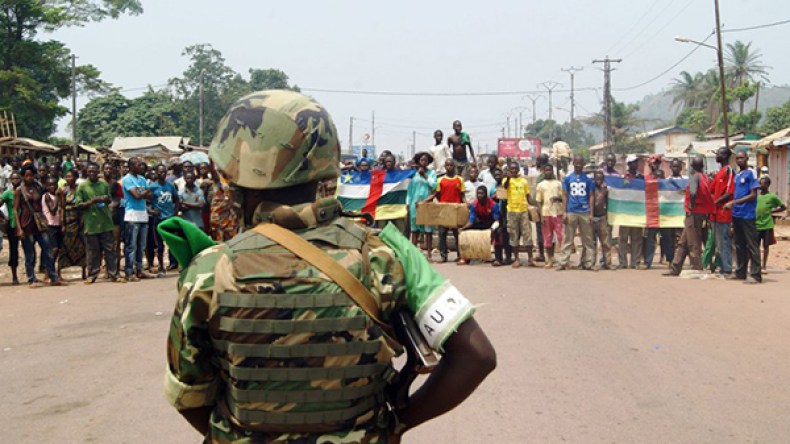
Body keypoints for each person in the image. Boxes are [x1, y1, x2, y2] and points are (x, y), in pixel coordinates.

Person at [162, 90, 495, 443]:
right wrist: (399, 422)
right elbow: (476, 355)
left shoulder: (209, 269)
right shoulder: (385, 253)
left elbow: (189, 394)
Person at [663, 155, 714, 277]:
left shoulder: (694, 177)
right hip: (701, 212)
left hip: (694, 213)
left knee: (693, 242)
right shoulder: (704, 177)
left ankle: (696, 267)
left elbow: (693, 192)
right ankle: (675, 267)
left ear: (692, 167)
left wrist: (691, 205)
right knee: (683, 242)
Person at [13, 164, 62, 287]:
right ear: (23, 176)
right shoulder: (19, 190)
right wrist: (19, 228)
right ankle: (31, 278)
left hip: (39, 224)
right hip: (26, 224)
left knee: (48, 249)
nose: (29, 178)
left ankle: (53, 276)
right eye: (27, 175)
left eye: (31, 175)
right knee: (30, 253)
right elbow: (15, 210)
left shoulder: (38, 187)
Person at [77, 163, 123, 284]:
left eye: (94, 171)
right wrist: (93, 201)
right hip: (91, 224)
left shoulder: (103, 185)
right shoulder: (82, 186)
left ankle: (114, 274)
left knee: (110, 251)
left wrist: (105, 199)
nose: (92, 173)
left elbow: (110, 199)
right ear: (87, 172)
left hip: (105, 223)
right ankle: (92, 275)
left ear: (98, 172)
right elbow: (79, 205)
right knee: (93, 252)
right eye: (90, 171)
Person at [724, 150, 762, 283]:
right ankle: (740, 272)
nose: (739, 160)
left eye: (742, 158)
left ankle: (756, 274)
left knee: (752, 245)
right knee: (739, 244)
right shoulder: (737, 175)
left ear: (747, 159)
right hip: (737, 214)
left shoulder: (751, 173)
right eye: (737, 158)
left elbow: (753, 194)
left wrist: (734, 202)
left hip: (747, 214)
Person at [556, 155, 595, 271]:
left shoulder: (588, 179)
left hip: (584, 211)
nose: (578, 165)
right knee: (568, 238)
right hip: (571, 211)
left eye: (580, 163)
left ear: (583, 164)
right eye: (576, 163)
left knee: (587, 239)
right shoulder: (567, 179)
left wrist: (591, 213)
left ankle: (588, 263)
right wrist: (564, 212)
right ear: (573, 164)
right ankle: (563, 262)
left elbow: (591, 196)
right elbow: (564, 195)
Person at [423, 158, 465, 262]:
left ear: (454, 166)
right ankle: (443, 255)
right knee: (442, 234)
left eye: (451, 165)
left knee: (457, 234)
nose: (449, 167)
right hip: (443, 210)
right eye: (447, 165)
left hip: (455, 209)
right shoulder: (440, 180)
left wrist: (466, 204)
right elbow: (435, 194)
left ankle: (460, 255)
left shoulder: (460, 179)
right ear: (445, 167)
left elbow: (462, 195)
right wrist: (423, 202)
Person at [122, 157, 154, 281]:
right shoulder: (127, 179)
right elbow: (136, 195)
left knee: (141, 245)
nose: (141, 167)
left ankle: (140, 270)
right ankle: (129, 272)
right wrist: (144, 191)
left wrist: (143, 192)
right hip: (132, 215)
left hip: (143, 214)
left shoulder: (142, 179)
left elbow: (150, 195)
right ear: (131, 167)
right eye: (138, 165)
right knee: (131, 246)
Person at [503, 161, 535, 268]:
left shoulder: (524, 181)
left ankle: (530, 258)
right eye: (511, 169)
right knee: (514, 235)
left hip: (523, 211)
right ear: (509, 170)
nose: (514, 170)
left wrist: (535, 205)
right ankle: (516, 259)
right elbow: (505, 187)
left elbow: (528, 195)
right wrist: (508, 178)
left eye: (515, 168)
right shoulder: (506, 180)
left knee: (527, 234)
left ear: (518, 169)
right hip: (512, 211)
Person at [457, 185, 500, 265]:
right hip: (481, 223)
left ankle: (497, 258)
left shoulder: (493, 205)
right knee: (465, 232)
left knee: (498, 232)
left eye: (481, 193)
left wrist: (492, 229)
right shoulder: (474, 205)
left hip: (492, 224)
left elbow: (497, 220)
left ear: (486, 194)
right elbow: (471, 220)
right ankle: (465, 258)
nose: (479, 196)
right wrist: (463, 228)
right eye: (478, 194)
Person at [148, 164, 179, 274]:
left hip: (169, 218)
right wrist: (151, 211)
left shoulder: (170, 186)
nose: (162, 174)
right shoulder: (152, 187)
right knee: (159, 245)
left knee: (173, 242)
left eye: (164, 172)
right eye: (160, 172)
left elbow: (177, 200)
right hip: (158, 219)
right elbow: (145, 202)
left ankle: (175, 263)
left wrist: (174, 213)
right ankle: (161, 266)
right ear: (156, 173)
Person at [709, 147, 735, 276]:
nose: (716, 156)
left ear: (724, 156)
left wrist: (715, 202)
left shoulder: (728, 171)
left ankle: (727, 268)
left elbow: (729, 192)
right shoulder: (719, 173)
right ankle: (721, 266)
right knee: (718, 242)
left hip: (724, 213)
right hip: (715, 214)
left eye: (718, 154)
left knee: (724, 242)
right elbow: (711, 189)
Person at [57, 170, 87, 278]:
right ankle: (59, 272)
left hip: (80, 220)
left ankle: (84, 271)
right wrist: (62, 223)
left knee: (82, 246)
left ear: (75, 177)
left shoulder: (81, 189)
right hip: (68, 220)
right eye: (67, 176)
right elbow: (62, 207)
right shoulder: (63, 190)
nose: (68, 179)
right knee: (64, 247)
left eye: (70, 176)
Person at [407, 152, 437, 259]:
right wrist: (408, 203)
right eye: (421, 160)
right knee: (414, 229)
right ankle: (414, 253)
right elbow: (409, 190)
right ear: (418, 162)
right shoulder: (413, 174)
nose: (423, 162)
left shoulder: (432, 173)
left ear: (428, 162)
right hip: (414, 204)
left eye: (425, 160)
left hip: (427, 204)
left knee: (428, 229)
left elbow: (434, 186)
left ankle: (429, 253)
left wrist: (424, 175)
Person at [618, 154, 645, 269]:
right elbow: (619, 192)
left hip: (637, 212)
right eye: (633, 162)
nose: (635, 164)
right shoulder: (624, 178)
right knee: (623, 239)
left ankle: (635, 262)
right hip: (625, 213)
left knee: (636, 239)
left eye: (636, 162)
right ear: (629, 164)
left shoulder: (641, 178)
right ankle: (623, 262)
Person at [535, 164, 564, 268]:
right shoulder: (540, 185)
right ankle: (550, 259)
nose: (548, 172)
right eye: (546, 170)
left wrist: (558, 198)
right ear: (543, 171)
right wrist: (541, 216)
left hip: (558, 212)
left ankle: (564, 260)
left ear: (552, 171)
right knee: (548, 237)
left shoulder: (558, 184)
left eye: (550, 170)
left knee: (561, 236)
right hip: (546, 213)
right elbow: (538, 201)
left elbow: (563, 197)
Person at [755, 176, 786, 271]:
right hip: (756, 224)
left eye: (763, 183)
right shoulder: (756, 197)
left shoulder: (772, 197)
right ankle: (757, 265)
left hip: (767, 224)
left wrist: (772, 211)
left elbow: (783, 207)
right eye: (760, 183)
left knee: (766, 246)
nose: (761, 185)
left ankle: (764, 266)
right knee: (755, 246)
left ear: (767, 185)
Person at [1, 171, 21, 284]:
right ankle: (14, 276)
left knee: (30, 250)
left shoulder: (23, 192)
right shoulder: (7, 193)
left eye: (17, 178)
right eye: (13, 178)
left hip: (26, 224)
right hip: (13, 225)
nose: (15, 180)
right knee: (14, 250)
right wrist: (4, 217)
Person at [591, 170, 612, 270]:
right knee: (592, 242)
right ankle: (591, 262)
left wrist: (607, 216)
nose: (598, 180)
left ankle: (607, 262)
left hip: (602, 217)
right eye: (597, 178)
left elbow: (607, 203)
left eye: (600, 178)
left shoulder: (605, 190)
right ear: (594, 178)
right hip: (592, 217)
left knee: (605, 242)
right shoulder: (591, 189)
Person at [42, 177, 62, 274]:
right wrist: (58, 197)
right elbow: (53, 210)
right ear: (47, 186)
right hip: (50, 225)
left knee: (58, 249)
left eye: (54, 185)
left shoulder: (56, 196)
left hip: (58, 224)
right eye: (50, 185)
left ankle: (54, 271)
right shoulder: (47, 196)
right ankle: (48, 270)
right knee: (53, 249)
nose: (52, 187)